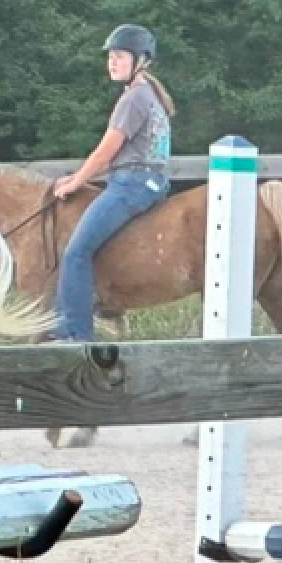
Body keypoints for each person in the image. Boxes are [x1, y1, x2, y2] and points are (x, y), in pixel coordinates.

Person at [49, 23, 174, 342]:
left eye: (119, 57)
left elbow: (105, 154)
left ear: (141, 61)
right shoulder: (151, 96)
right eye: (110, 58)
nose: (112, 63)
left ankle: (75, 336)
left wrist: (75, 181)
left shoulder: (134, 99)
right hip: (152, 182)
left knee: (76, 253)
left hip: (130, 184)